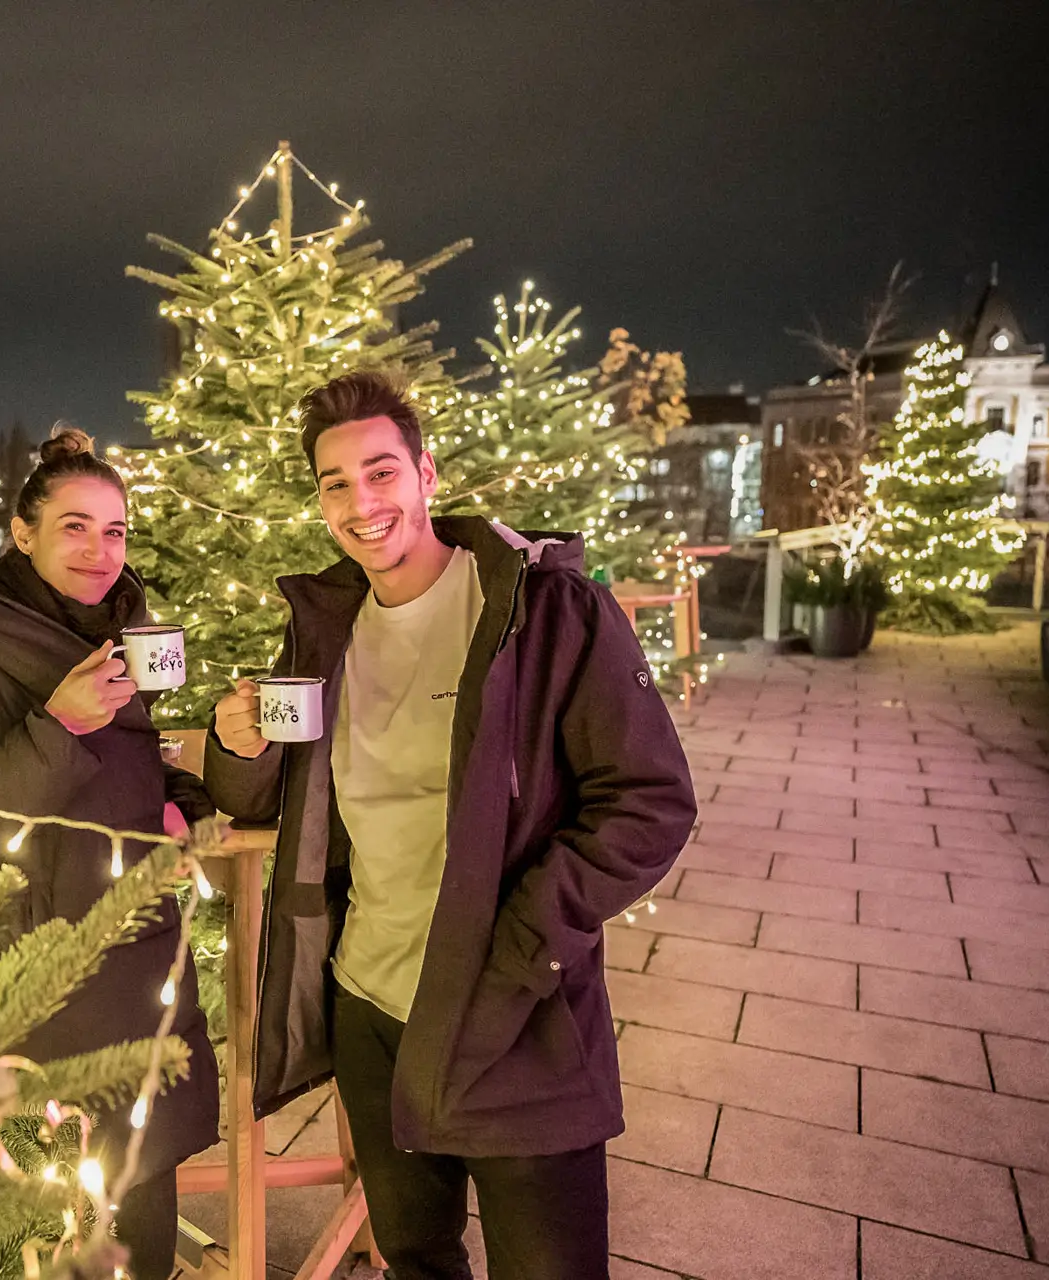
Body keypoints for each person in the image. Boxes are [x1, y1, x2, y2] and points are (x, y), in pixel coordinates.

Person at [204, 371, 696, 1279]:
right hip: (371, 1011)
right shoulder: (329, 630)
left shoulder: (541, 612)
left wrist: (527, 940)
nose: (362, 502)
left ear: (427, 474)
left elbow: (650, 801)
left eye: (381, 472)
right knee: (418, 1257)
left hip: (515, 1012)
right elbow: (269, 803)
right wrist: (238, 748)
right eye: (335, 483)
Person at [0, 425, 219, 1280]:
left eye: (114, 530)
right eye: (74, 526)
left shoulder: (125, 638)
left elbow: (138, 764)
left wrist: (179, 802)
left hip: (139, 977)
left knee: (142, 1230)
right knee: (31, 1235)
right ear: (23, 533)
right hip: (30, 999)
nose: (99, 549)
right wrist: (59, 726)